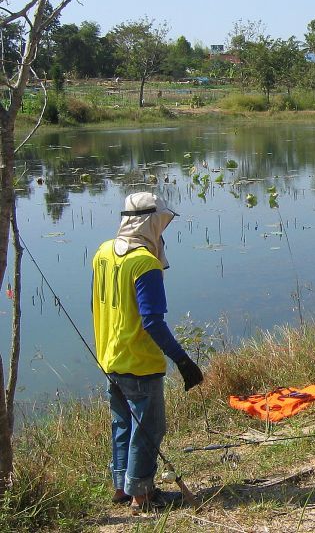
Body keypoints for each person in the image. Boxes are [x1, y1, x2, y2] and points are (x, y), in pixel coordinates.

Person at [92, 192, 203, 513]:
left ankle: (121, 488)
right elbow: (153, 321)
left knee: (123, 425)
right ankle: (142, 496)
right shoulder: (145, 263)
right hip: (139, 362)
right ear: (150, 222)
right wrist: (183, 361)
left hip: (109, 358)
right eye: (161, 223)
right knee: (148, 428)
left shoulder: (101, 253)